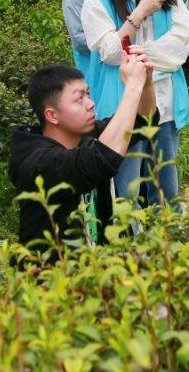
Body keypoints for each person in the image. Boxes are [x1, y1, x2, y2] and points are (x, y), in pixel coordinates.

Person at [81, 0, 189, 209]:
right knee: (126, 194)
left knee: (167, 189)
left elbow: (182, 42)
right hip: (122, 105)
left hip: (164, 99)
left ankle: (172, 249)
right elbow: (109, 53)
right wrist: (138, 14)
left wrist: (140, 56)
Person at [9, 52, 152, 259]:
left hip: (100, 268)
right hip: (53, 280)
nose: (90, 103)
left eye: (88, 94)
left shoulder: (84, 135)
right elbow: (101, 158)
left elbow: (144, 121)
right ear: (52, 115)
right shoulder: (38, 162)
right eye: (79, 99)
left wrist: (146, 82)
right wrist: (132, 87)